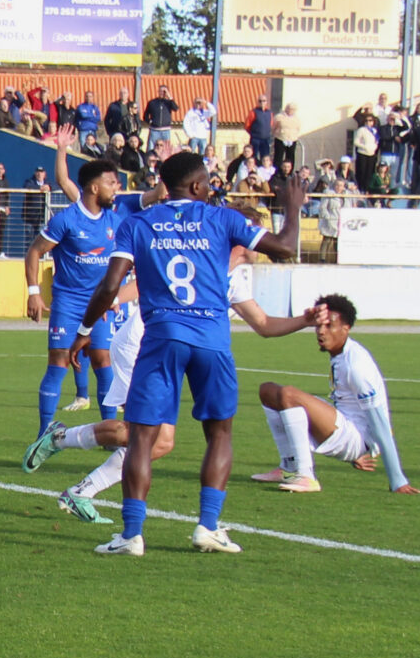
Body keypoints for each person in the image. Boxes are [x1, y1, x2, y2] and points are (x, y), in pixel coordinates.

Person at [72, 152, 304, 554]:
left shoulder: (138, 223)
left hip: (162, 337)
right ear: (197, 186)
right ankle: (207, 527)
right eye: (208, 181)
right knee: (219, 433)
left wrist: (85, 330)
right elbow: (284, 247)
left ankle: (131, 535)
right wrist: (294, 207)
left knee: (142, 438)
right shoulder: (223, 218)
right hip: (212, 339)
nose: (211, 187)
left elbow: (110, 287)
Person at [250, 294, 418, 494]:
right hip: (344, 426)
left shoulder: (356, 366)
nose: (321, 331)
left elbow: (381, 424)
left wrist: (397, 480)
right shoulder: (341, 353)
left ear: (346, 328)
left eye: (329, 326)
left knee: (289, 395)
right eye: (319, 326)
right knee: (268, 391)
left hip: (356, 438)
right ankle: (289, 467)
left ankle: (305, 475)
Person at [24, 153, 125, 433]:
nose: (116, 188)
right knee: (59, 360)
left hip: (101, 304)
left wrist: (117, 296)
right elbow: (34, 251)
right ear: (94, 187)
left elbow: (123, 263)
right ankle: (44, 432)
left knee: (103, 359)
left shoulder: (115, 222)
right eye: (111, 183)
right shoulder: (66, 220)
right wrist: (34, 292)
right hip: (68, 303)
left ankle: (108, 431)